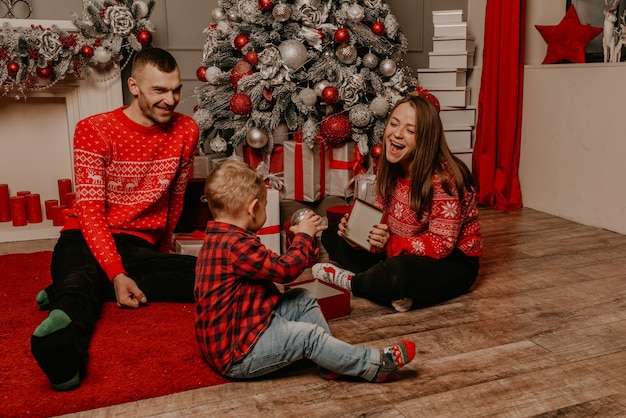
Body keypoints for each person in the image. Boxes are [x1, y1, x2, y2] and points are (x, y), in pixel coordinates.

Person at [30, 47, 199, 391]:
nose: (171, 100)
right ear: (134, 87)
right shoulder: (94, 129)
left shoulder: (186, 130)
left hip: (138, 244)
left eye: (176, 89)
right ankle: (63, 354)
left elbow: (175, 199)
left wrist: (161, 255)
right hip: (85, 234)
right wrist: (118, 274)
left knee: (202, 274)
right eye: (160, 91)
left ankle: (86, 286)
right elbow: (91, 212)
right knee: (78, 284)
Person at [194, 160, 415, 382]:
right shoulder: (237, 246)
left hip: (245, 326)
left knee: (303, 298)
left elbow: (271, 264)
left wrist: (301, 240)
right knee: (307, 336)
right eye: (263, 204)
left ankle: (332, 361)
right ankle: (373, 365)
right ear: (253, 209)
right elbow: (285, 270)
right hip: (239, 353)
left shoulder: (221, 239)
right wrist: (304, 237)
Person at [313, 93, 483, 313]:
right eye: (394, 124)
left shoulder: (444, 178)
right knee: (332, 234)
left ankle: (354, 283)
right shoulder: (389, 164)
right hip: (400, 246)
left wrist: (388, 246)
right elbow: (381, 215)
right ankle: (390, 287)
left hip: (452, 261)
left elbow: (441, 244)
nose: (397, 134)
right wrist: (358, 234)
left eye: (410, 131)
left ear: (425, 139)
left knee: (399, 272)